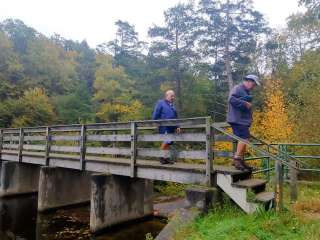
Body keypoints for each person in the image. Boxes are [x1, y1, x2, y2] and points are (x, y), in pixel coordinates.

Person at [227, 74, 260, 171]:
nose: (254, 87)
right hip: (238, 120)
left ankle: (241, 161)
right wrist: (245, 103)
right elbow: (231, 100)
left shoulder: (245, 91)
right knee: (244, 138)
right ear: (249, 81)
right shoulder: (238, 88)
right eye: (254, 85)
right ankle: (237, 159)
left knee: (244, 139)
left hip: (242, 120)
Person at [152, 90, 181, 164]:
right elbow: (156, 114)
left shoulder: (172, 105)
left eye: (173, 96)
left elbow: (176, 117)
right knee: (166, 141)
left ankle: (166, 158)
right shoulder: (160, 103)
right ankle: (161, 157)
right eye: (171, 96)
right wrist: (155, 123)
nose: (173, 97)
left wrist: (178, 126)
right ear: (166, 96)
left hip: (172, 127)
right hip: (164, 126)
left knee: (169, 143)